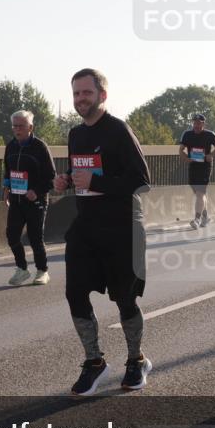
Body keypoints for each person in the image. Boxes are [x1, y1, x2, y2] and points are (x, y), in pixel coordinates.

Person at [53, 69, 151, 396]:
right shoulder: (75, 134)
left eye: (86, 93)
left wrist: (96, 182)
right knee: (74, 293)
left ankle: (136, 359)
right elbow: (81, 172)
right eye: (76, 94)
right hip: (87, 227)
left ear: (102, 95)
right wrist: (66, 180)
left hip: (123, 228)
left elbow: (141, 180)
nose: (81, 99)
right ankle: (94, 361)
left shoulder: (118, 130)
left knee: (125, 299)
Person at [3, 110, 55, 286]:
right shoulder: (11, 146)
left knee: (35, 237)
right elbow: (7, 170)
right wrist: (6, 187)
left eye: (21, 126)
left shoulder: (40, 147)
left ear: (30, 127)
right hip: (16, 200)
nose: (17, 129)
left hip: (36, 200)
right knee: (12, 235)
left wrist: (37, 191)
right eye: (14, 126)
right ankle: (22, 269)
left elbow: (51, 177)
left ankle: (42, 271)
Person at [179, 113, 215, 228]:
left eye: (199, 123)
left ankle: (197, 219)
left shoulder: (210, 135)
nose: (196, 125)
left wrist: (211, 155)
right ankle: (206, 216)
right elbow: (181, 150)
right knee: (198, 193)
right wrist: (186, 158)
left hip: (205, 167)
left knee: (200, 193)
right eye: (194, 123)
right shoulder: (187, 134)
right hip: (193, 166)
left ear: (203, 123)